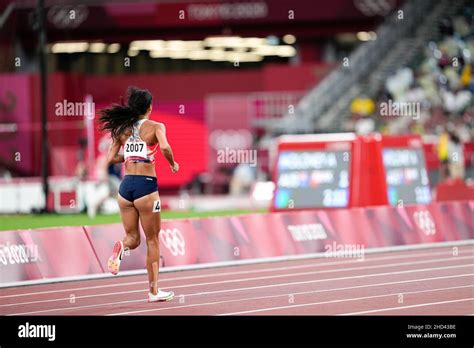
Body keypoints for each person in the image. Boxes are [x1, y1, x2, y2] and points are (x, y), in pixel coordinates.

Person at [98, 86, 179, 302]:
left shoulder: (122, 128)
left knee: (132, 239)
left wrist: (130, 156)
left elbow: (111, 157)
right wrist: (172, 164)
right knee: (152, 240)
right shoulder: (156, 126)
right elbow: (165, 148)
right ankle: (153, 292)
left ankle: (121, 247)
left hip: (125, 189)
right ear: (150, 107)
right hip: (146, 187)